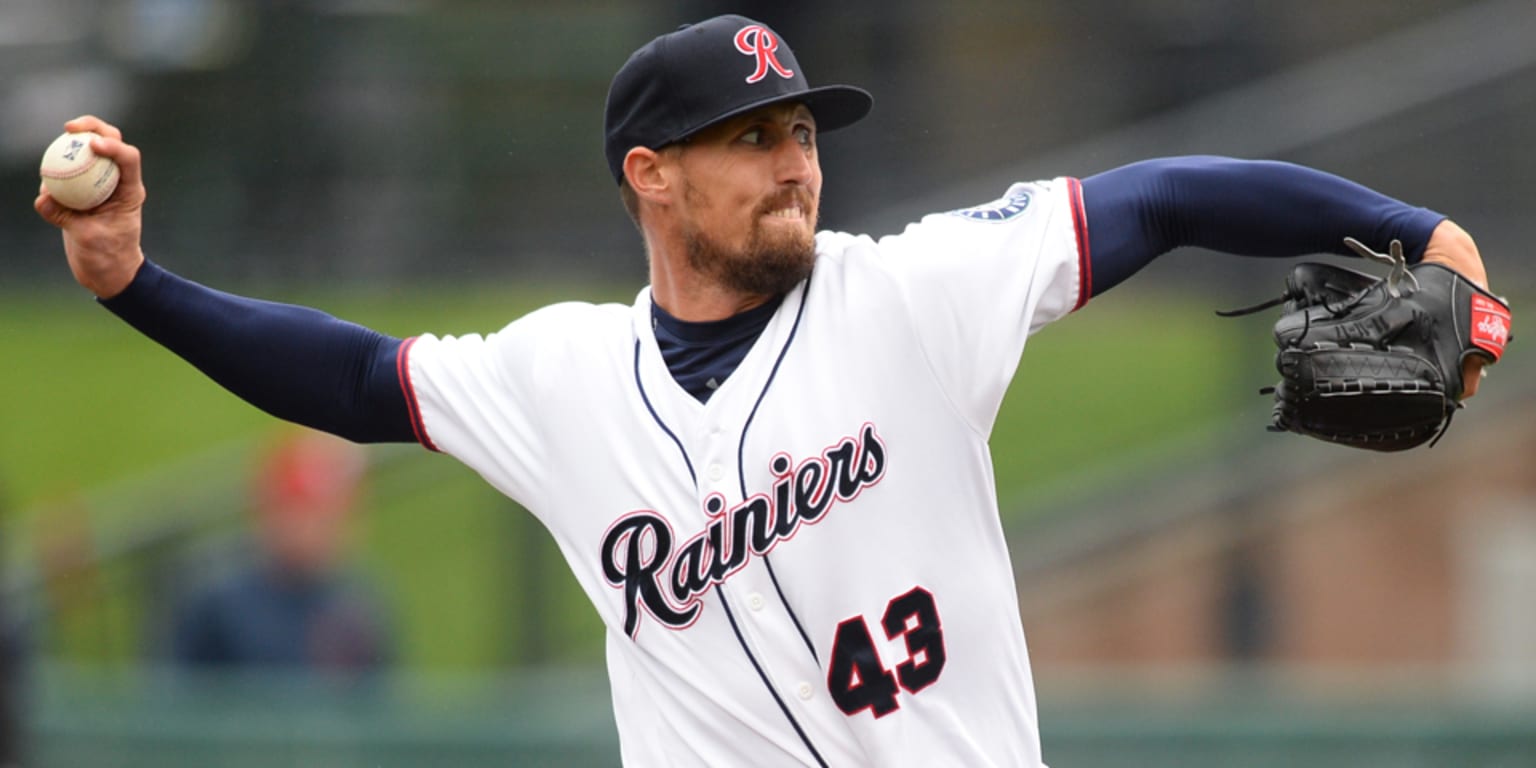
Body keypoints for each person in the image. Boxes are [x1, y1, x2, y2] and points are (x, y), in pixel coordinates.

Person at [35, 14, 1493, 767]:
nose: (795, 157)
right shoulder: (563, 379)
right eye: (749, 136)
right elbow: (357, 377)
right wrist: (132, 286)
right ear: (651, 177)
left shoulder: (914, 294)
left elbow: (1170, 196)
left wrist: (1424, 238)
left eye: (799, 125)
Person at [165, 429, 391, 680]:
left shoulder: (358, 607)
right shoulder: (219, 603)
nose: (316, 527)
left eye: (331, 514)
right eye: (304, 510)